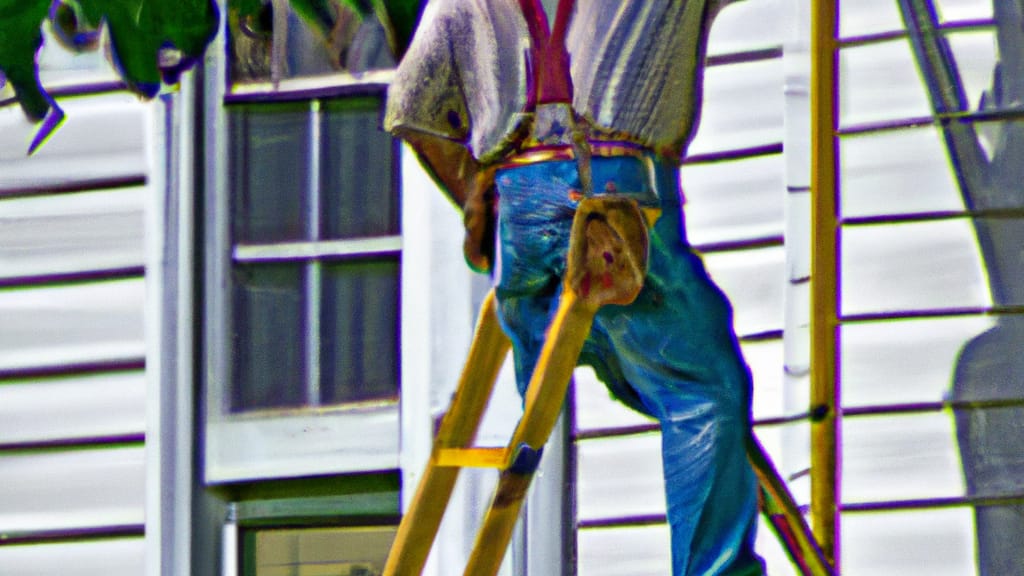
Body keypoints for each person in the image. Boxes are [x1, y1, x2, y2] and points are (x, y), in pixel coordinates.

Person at [385, 1, 764, 574]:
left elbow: (411, 106)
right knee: (705, 390)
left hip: (522, 213)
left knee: (625, 365)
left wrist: (473, 192)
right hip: (618, 202)